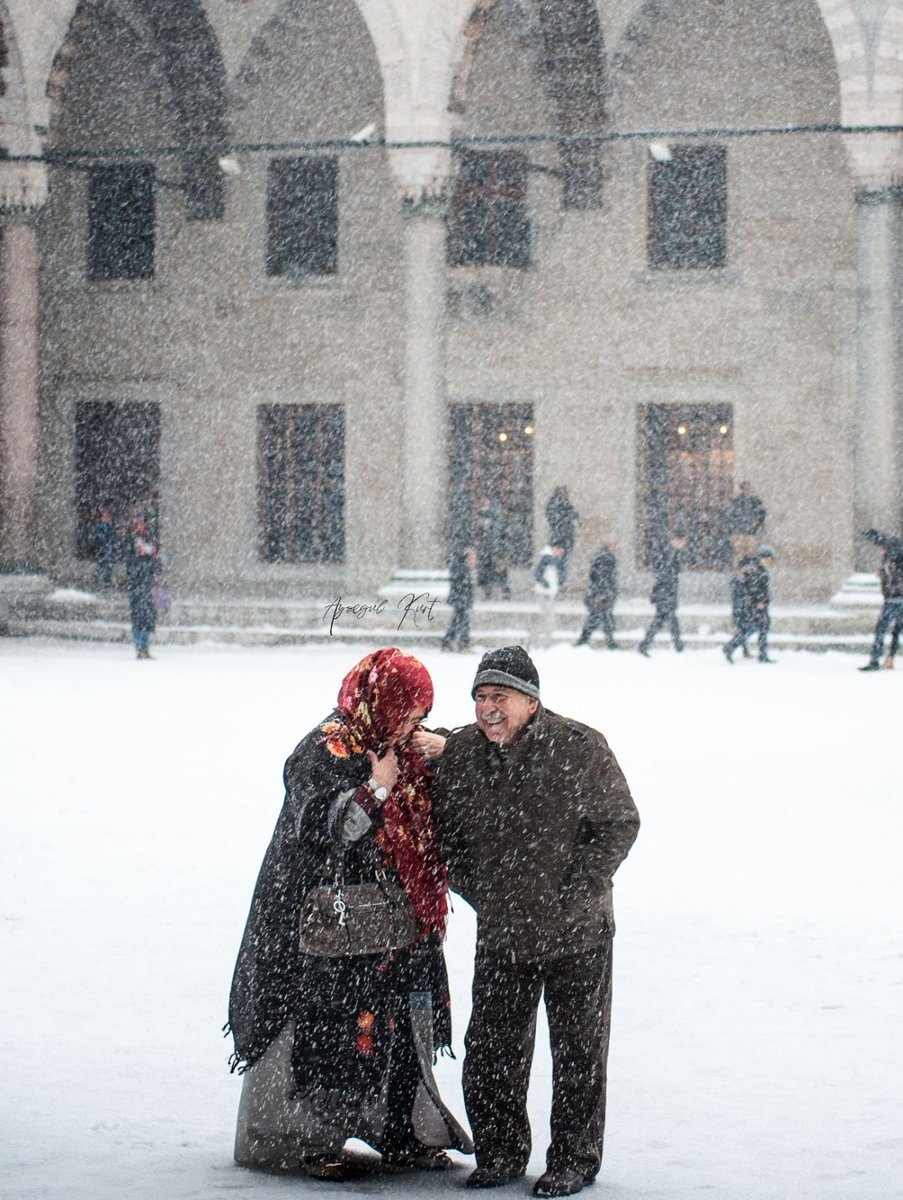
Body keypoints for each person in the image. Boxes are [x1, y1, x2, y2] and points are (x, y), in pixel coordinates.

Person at [227, 648, 472, 1180]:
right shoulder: (324, 749)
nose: (416, 724)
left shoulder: (399, 740)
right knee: (337, 1035)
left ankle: (402, 1134)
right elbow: (325, 825)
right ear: (382, 703)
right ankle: (316, 1140)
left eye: (421, 714)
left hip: (400, 923)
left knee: (405, 1032)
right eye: (410, 712)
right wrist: (376, 786)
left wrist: (446, 748)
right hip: (339, 929)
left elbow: (458, 772)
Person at [415, 646, 639, 1198]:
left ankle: (573, 1160)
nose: (489, 709)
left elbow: (618, 823)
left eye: (502, 697)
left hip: (577, 934)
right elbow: (447, 837)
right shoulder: (464, 752)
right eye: (481, 698)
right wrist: (484, 893)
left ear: (531, 702)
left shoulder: (580, 747)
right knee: (492, 1048)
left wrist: (577, 892)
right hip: (504, 931)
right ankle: (500, 1152)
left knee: (579, 1054)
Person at [858, 529, 903, 671]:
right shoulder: (890, 560)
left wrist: (887, 574)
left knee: (881, 630)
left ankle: (875, 661)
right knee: (896, 631)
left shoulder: (896, 560)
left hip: (894, 600)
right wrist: (883, 573)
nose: (880, 551)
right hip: (893, 599)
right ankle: (889, 659)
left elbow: (895, 581)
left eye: (881, 548)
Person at [722, 547, 776, 663]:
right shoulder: (758, 571)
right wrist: (760, 602)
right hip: (755, 605)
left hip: (750, 605)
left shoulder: (753, 568)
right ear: (765, 558)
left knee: (755, 628)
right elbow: (755, 588)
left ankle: (760, 653)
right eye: (770, 559)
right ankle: (731, 647)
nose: (771, 562)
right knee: (755, 628)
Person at [638, 533, 687, 656]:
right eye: (682, 541)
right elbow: (663, 574)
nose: (684, 545)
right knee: (670, 621)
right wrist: (666, 592)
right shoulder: (669, 552)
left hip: (665, 594)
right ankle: (678, 645)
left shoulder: (671, 552)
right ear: (676, 540)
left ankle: (645, 645)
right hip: (665, 595)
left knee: (660, 622)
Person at [125, 513, 159, 659]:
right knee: (138, 616)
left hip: (148, 586)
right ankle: (139, 646)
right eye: (136, 522)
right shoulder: (130, 542)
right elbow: (129, 567)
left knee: (147, 617)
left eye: (141, 522)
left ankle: (145, 646)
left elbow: (158, 566)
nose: (139, 525)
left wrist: (152, 557)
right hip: (137, 586)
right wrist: (138, 558)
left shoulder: (150, 540)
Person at [575, 542, 618, 649]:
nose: (616, 547)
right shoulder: (606, 559)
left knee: (599, 618)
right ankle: (609, 642)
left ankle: (585, 641)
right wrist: (603, 593)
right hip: (601, 596)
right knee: (601, 618)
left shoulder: (602, 558)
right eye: (614, 545)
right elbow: (602, 578)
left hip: (600, 595)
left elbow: (596, 576)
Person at [474, 498, 510, 600]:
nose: (486, 504)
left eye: (488, 502)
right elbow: (478, 533)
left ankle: (504, 589)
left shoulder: (497, 517)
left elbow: (500, 532)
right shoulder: (480, 515)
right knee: (485, 570)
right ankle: (487, 590)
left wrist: (490, 525)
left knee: (500, 569)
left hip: (496, 548)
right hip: (485, 549)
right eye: (484, 502)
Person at [443, 545, 477, 652]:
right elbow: (461, 587)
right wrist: (464, 600)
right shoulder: (462, 569)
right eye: (473, 557)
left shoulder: (461, 568)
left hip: (460, 601)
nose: (475, 560)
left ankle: (447, 642)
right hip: (460, 601)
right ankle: (463, 645)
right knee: (463, 622)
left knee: (456, 622)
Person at [544, 488, 579, 586]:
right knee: (558, 562)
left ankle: (560, 582)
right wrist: (567, 517)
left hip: (566, 537)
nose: (566, 495)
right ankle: (556, 582)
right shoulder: (555, 504)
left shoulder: (566, 504)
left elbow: (572, 515)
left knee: (563, 562)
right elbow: (554, 519)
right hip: (559, 538)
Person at [533, 544, 565, 648]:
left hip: (548, 593)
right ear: (555, 548)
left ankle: (542, 640)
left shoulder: (553, 560)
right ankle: (543, 642)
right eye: (560, 550)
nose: (561, 553)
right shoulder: (547, 559)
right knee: (548, 618)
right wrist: (546, 585)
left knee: (547, 618)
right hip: (545, 594)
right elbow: (538, 574)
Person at [728, 481, 766, 565]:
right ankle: (739, 571)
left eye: (749, 488)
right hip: (739, 532)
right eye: (745, 488)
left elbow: (762, 514)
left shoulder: (756, 501)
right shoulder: (737, 501)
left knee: (751, 553)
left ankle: (750, 569)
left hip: (752, 532)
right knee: (739, 554)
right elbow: (732, 516)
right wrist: (733, 529)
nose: (748, 490)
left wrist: (759, 525)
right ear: (742, 489)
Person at [92, 505, 118, 587]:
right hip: (103, 547)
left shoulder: (110, 525)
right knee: (103, 562)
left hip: (108, 547)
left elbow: (113, 535)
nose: (107, 516)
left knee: (108, 562)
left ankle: (106, 578)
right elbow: (98, 535)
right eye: (105, 514)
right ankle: (100, 576)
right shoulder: (100, 525)